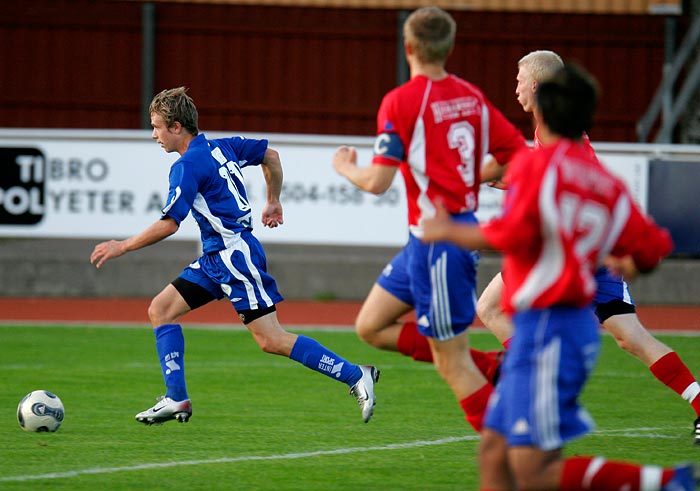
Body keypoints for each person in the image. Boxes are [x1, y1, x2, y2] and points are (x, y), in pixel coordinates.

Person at [423, 63, 694, 491]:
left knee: (534, 473)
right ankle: (510, 367)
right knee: (493, 452)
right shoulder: (605, 182)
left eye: (519, 80)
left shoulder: (540, 166)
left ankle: (667, 482)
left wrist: (451, 232)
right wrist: (633, 264)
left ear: (542, 100)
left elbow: (514, 232)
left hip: (553, 327)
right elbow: (653, 246)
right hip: (551, 326)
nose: (514, 87)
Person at [90, 87, 379, 425]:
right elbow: (270, 155)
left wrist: (122, 246)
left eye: (157, 127)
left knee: (271, 340)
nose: (154, 135)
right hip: (216, 258)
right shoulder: (220, 147)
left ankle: (355, 374)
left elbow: (169, 224)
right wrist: (273, 199)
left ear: (177, 126)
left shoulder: (186, 165)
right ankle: (176, 398)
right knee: (161, 309)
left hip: (234, 258)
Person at [477, 49, 700, 445]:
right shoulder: (548, 128)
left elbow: (576, 181)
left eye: (518, 80)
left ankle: (535, 384)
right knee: (628, 337)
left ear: (535, 85)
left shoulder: (556, 131)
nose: (514, 89)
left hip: (580, 254)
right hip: (575, 250)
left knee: (494, 309)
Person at [332, 6, 526, 432]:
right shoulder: (471, 96)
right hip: (424, 244)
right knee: (371, 326)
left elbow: (378, 181)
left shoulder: (401, 101)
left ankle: (515, 449)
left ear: (408, 47)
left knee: (452, 364)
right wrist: (471, 175)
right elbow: (518, 156)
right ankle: (494, 368)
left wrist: (345, 167)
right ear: (449, 47)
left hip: (441, 246)